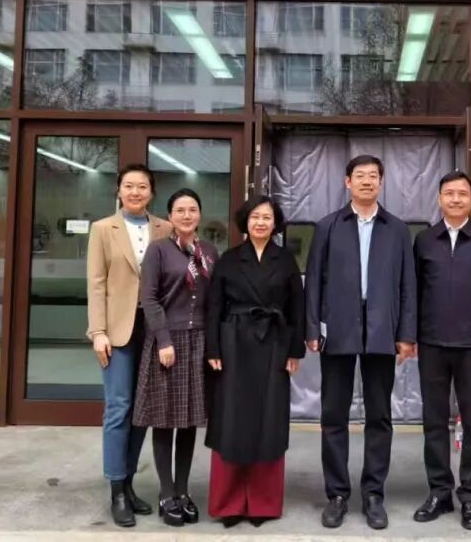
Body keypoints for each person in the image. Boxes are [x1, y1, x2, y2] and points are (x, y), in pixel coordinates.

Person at [305, 154, 417, 531]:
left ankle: (373, 494)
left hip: (382, 329)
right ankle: (337, 494)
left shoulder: (397, 229)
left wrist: (406, 334)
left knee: (379, 416)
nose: (367, 181)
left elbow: (408, 285)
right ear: (347, 182)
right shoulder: (328, 226)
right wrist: (311, 328)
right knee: (333, 415)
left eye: (373, 176)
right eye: (360, 175)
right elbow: (314, 280)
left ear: (381, 183)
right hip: (338, 328)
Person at [412, 171, 471, 531]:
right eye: (449, 193)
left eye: (462, 193)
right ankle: (439, 492)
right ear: (439, 199)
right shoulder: (424, 240)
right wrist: (410, 336)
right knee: (434, 422)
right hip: (432, 344)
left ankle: (470, 497)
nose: (455, 199)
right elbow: (413, 293)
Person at [205, 195, 306, 528]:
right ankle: (230, 503)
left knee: (268, 421)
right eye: (255, 217)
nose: (261, 222)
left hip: (274, 345)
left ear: (275, 223)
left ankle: (263, 503)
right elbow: (214, 307)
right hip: (233, 345)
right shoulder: (229, 259)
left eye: (267, 217)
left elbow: (297, 307)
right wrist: (213, 349)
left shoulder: (285, 260)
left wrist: (295, 351)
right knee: (232, 421)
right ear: (245, 222)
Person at [86, 163, 171, 527]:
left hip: (153, 330)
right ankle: (116, 490)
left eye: (142, 187)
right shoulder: (102, 229)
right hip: (117, 331)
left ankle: (130, 484)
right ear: (119, 190)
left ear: (152, 192)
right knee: (118, 407)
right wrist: (98, 331)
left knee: (142, 410)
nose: (135, 192)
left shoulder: (165, 229)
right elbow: (96, 283)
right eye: (129, 186)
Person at [133, 188, 219, 527]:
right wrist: (164, 340)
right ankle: (166, 492)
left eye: (192, 209)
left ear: (199, 215)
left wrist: (213, 345)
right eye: (180, 210)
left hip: (198, 341)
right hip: (166, 342)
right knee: (164, 419)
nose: (186, 215)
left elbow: (214, 301)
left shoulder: (208, 252)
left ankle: (183, 491)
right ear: (169, 216)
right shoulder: (158, 250)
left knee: (188, 420)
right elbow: (149, 299)